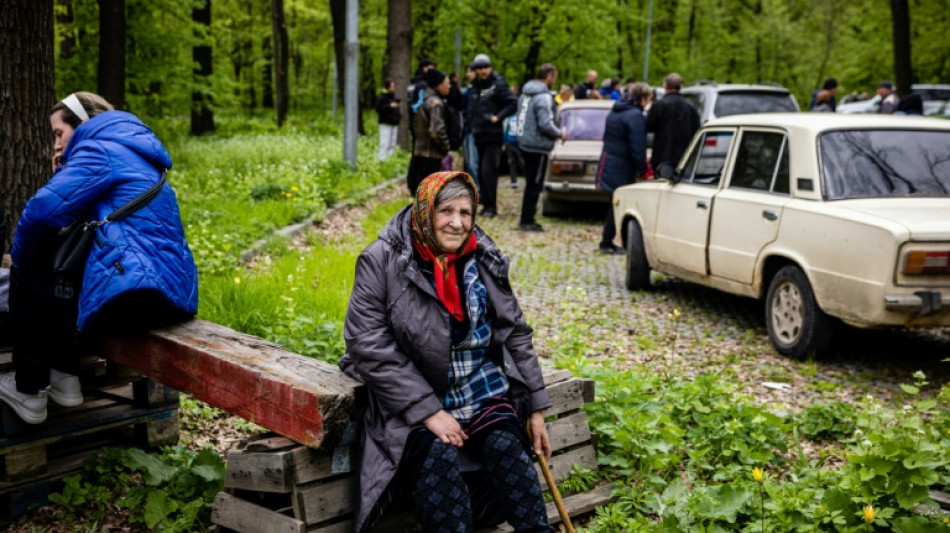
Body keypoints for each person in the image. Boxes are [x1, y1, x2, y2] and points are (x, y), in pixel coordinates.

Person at [341, 171, 554, 533]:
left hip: (477, 387)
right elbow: (366, 343)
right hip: (412, 393)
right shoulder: (381, 260)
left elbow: (514, 331)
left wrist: (535, 406)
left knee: (505, 443)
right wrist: (428, 410)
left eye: (466, 212)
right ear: (425, 211)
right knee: (436, 451)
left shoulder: (483, 256)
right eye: (446, 211)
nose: (457, 223)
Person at [0, 92, 198, 424]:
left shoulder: (98, 150)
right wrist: (62, 170)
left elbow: (40, 214)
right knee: (58, 269)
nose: (55, 143)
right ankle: (64, 377)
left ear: (83, 125)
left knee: (29, 267)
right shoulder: (135, 151)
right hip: (169, 292)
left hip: (134, 297)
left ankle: (29, 389)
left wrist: (20, 264)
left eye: (58, 133)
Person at [596, 83, 650, 254]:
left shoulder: (616, 111)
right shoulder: (635, 116)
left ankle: (607, 240)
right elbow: (637, 147)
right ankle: (607, 242)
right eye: (648, 100)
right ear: (643, 98)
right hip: (621, 165)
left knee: (614, 202)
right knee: (618, 203)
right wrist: (644, 170)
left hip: (610, 160)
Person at [516, 63, 566, 232]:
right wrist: (560, 133)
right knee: (535, 184)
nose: (554, 81)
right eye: (554, 77)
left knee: (530, 182)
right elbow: (545, 124)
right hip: (537, 146)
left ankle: (526, 217)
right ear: (549, 77)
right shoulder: (543, 97)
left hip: (524, 143)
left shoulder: (525, 94)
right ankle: (527, 219)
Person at [468, 53, 518, 218]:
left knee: (488, 171)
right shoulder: (475, 85)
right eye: (479, 68)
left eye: (485, 68)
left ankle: (491, 206)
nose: (482, 71)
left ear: (490, 68)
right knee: (480, 172)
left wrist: (498, 117)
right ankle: (485, 203)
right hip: (479, 133)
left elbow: (512, 103)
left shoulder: (498, 84)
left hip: (493, 134)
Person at [407, 70, 452, 195]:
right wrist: (446, 147)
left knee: (420, 194)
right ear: (439, 85)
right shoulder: (435, 103)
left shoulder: (423, 100)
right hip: (431, 154)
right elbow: (437, 130)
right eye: (447, 83)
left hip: (419, 152)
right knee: (430, 195)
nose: (449, 86)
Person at [646, 73, 700, 170]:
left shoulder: (659, 105)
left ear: (665, 85)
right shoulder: (691, 107)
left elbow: (649, 126)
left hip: (661, 157)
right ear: (681, 86)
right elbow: (696, 130)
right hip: (684, 157)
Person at [375, 79, 401, 161]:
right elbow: (379, 109)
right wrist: (390, 106)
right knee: (384, 143)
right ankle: (382, 159)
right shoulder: (381, 97)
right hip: (385, 123)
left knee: (392, 143)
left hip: (394, 123)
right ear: (387, 87)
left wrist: (399, 117)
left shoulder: (393, 96)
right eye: (392, 86)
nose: (393, 88)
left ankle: (389, 160)